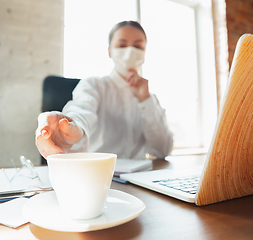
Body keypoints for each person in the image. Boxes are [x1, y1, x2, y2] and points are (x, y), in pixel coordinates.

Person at [36, 20, 173, 160]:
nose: (130, 52)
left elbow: (163, 150)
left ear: (144, 52)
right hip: (101, 176)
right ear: (109, 51)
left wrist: (145, 101)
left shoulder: (150, 99)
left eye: (138, 46)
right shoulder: (93, 85)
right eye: (121, 45)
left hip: (141, 177)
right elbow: (81, 110)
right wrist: (71, 126)